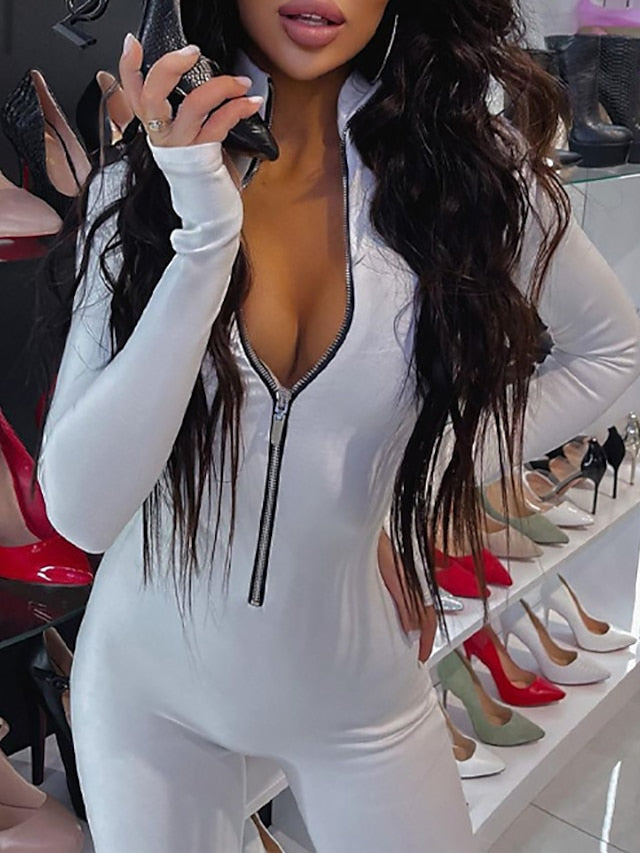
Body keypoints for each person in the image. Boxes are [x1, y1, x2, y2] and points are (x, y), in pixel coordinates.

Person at [36, 1, 640, 851]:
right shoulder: (138, 184)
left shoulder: (465, 174)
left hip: (357, 694)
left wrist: (406, 475)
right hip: (144, 695)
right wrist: (204, 240)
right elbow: (81, 513)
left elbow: (611, 350)